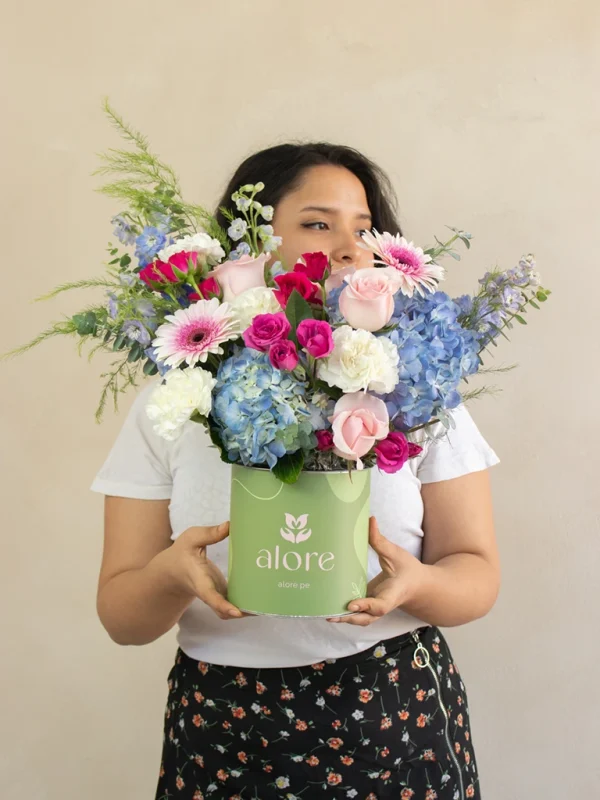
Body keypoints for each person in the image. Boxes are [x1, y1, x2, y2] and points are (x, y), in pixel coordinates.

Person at [91, 143, 500, 800]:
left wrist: (415, 584)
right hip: (223, 727)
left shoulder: (417, 394)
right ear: (252, 242)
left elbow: (477, 574)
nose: (349, 245)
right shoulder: (173, 404)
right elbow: (121, 615)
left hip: (393, 714)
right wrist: (172, 575)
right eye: (318, 223)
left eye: (364, 228)